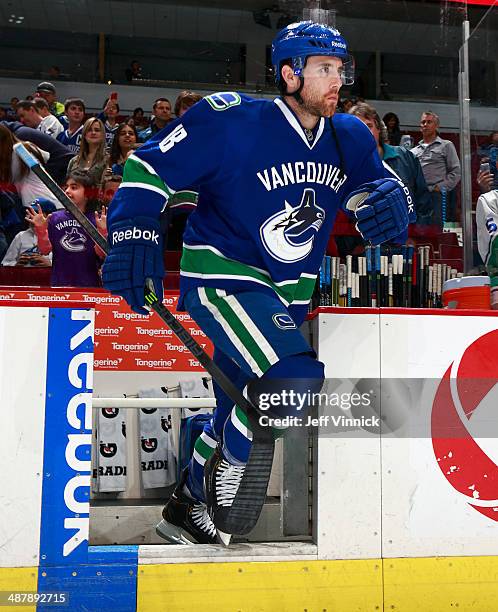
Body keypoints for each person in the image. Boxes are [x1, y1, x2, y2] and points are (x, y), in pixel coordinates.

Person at [102, 21, 414, 546]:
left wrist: (392, 199)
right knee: (290, 378)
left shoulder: (351, 135)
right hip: (224, 280)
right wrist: (134, 232)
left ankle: (185, 505)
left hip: (286, 296)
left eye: (341, 69)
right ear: (290, 74)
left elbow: (373, 188)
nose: (338, 80)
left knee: (236, 403)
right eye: (325, 69)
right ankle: (228, 476)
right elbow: (146, 168)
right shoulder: (230, 120)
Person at [350, 102, 430, 224]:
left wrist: (415, 234)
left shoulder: (404, 157)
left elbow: (423, 200)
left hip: (406, 236)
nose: (365, 132)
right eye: (358, 128)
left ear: (378, 129)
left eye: (369, 126)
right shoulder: (347, 166)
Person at [31, 170, 106, 287]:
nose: (67, 191)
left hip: (89, 286)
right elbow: (44, 250)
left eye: (74, 187)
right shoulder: (54, 217)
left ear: (88, 193)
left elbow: (101, 254)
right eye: (66, 187)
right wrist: (41, 230)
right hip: (59, 285)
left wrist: (102, 232)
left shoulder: (97, 219)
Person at [411, 111, 461, 227]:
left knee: (435, 230)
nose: (425, 125)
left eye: (429, 122)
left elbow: (456, 171)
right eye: (423, 122)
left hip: (436, 195)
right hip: (418, 196)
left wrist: (441, 187)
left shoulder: (446, 145)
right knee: (417, 228)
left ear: (436, 125)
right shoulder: (413, 151)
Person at [0, 123, 61, 210]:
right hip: (47, 196)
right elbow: (46, 156)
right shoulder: (25, 146)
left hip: (40, 201)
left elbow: (10, 178)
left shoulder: (18, 151)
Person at [0, 121, 73, 185]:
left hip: (62, 165)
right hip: (57, 163)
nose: (22, 119)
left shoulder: (20, 139)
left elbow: (16, 175)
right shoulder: (20, 134)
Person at [1, 199, 56, 267]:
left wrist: (50, 264)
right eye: (29, 213)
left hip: (50, 276)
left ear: (50, 216)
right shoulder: (21, 236)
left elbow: (68, 264)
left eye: (36, 213)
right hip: (24, 276)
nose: (32, 218)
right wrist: (16, 265)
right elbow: (5, 263)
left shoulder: (59, 235)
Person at [66, 117, 108, 185]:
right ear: (84, 135)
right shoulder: (73, 161)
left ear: (102, 135)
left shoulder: (108, 160)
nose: (93, 133)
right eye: (89, 130)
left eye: (97, 130)